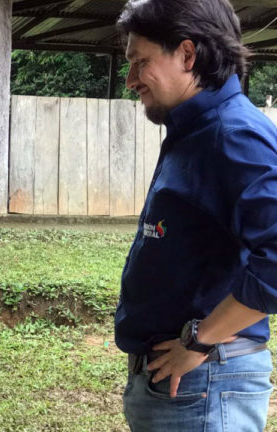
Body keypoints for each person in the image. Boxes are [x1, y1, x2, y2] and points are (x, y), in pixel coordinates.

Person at [114, 1, 277, 430]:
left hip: (203, 385)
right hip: (187, 387)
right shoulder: (196, 132)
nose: (131, 80)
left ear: (187, 55)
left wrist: (199, 341)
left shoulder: (233, 135)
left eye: (140, 62)